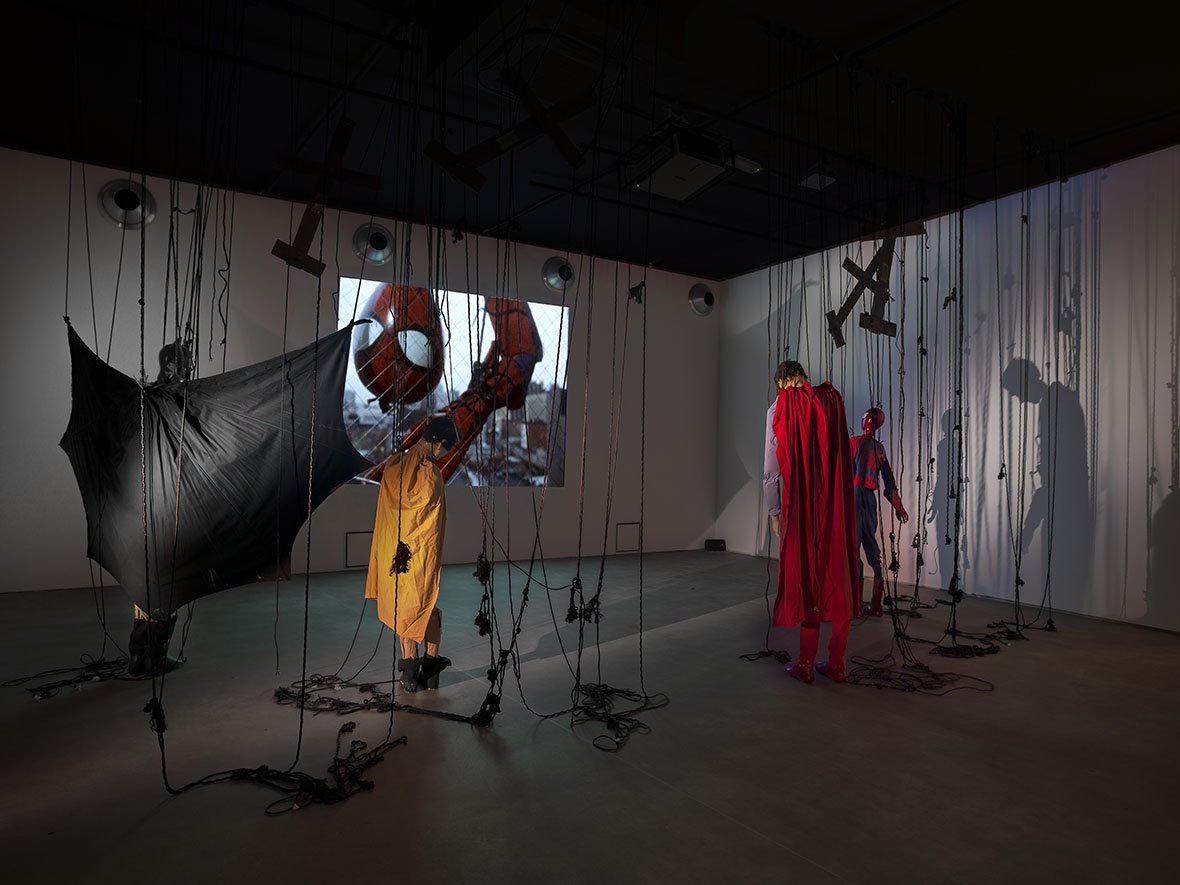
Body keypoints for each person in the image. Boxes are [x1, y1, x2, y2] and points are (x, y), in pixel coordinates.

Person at [766, 360, 858, 683]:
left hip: (804, 508)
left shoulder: (780, 408)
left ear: (781, 381)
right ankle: (837, 664)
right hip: (834, 504)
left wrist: (774, 512)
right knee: (839, 578)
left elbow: (770, 471)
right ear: (804, 376)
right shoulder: (831, 401)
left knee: (809, 577)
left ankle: (805, 665)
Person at [365, 416, 459, 693]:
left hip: (393, 554)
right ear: (438, 442)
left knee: (404, 607)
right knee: (422, 606)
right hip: (418, 555)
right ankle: (427, 668)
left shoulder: (395, 465)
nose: (444, 453)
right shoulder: (429, 472)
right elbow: (428, 513)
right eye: (445, 447)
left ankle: (411, 669)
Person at [851, 407, 909, 616]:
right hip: (869, 501)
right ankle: (876, 606)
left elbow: (841, 475)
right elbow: (889, 482)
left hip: (854, 499)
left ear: (865, 420)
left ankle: (856, 606)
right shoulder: (880, 449)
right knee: (871, 547)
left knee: (853, 548)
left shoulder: (853, 442)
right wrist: (899, 507)